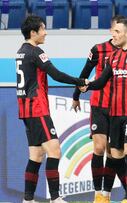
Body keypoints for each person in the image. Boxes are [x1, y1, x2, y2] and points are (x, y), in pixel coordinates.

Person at [16, 15, 88, 203]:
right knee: (54, 150)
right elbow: (55, 74)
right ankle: (55, 198)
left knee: (36, 155)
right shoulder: (36, 52)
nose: (46, 32)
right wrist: (79, 81)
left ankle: (28, 199)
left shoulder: (20, 51)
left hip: (26, 109)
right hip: (37, 108)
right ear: (33, 32)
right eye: (43, 29)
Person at [80, 18, 127, 203]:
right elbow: (101, 81)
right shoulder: (113, 57)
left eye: (117, 32)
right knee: (116, 156)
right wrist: (87, 86)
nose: (113, 35)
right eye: (113, 32)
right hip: (114, 114)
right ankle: (121, 195)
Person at [71, 15, 125, 203]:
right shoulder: (98, 50)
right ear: (111, 30)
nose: (119, 33)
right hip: (99, 105)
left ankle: (107, 194)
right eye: (116, 29)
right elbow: (85, 74)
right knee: (100, 148)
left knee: (113, 152)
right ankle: (97, 195)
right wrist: (76, 96)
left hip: (120, 108)